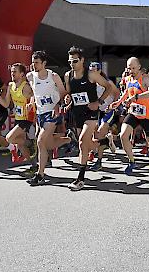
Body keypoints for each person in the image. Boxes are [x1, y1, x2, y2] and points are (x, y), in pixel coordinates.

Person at [63, 47, 116, 191]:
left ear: (82, 60)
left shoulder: (91, 74)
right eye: (70, 61)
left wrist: (98, 102)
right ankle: (105, 140)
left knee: (81, 143)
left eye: (75, 61)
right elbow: (69, 93)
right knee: (87, 145)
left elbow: (108, 87)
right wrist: (68, 100)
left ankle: (80, 179)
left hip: (91, 113)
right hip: (77, 113)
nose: (72, 64)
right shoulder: (68, 75)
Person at [109, 57, 149, 176]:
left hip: (146, 115)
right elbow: (126, 93)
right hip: (133, 113)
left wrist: (136, 98)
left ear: (139, 67)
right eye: (129, 68)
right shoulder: (128, 79)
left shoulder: (145, 79)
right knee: (123, 135)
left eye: (133, 68)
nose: (131, 70)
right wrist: (117, 103)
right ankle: (131, 161)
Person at [26, 50, 71, 186]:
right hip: (40, 113)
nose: (34, 65)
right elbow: (35, 93)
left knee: (40, 141)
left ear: (44, 63)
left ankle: (40, 175)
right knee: (47, 144)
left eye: (37, 63)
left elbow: (63, 93)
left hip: (52, 113)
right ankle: (69, 139)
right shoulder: (30, 76)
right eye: (33, 62)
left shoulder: (54, 76)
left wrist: (58, 104)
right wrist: (31, 102)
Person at [0, 63, 37, 163]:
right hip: (18, 118)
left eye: (15, 72)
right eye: (11, 71)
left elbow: (35, 96)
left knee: (9, 138)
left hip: (27, 118)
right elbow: (6, 104)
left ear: (22, 74)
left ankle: (30, 142)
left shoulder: (25, 87)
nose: (12, 74)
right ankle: (33, 165)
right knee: (20, 144)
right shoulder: (10, 85)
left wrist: (31, 103)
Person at [90, 62, 119, 171]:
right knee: (95, 134)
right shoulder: (90, 83)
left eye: (94, 70)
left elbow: (117, 93)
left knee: (100, 132)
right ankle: (107, 141)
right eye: (90, 70)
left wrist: (113, 105)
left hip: (108, 111)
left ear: (99, 71)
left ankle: (99, 161)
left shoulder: (107, 82)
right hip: (97, 111)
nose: (92, 72)